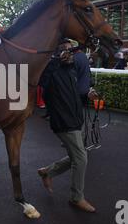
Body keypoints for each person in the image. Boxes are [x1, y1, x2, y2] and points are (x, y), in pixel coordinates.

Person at [37, 41, 98, 213]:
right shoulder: (49, 68)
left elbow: (74, 92)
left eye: (70, 50)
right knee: (81, 158)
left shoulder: (70, 68)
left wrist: (88, 93)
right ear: (57, 52)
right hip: (63, 121)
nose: (69, 53)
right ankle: (76, 198)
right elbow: (42, 83)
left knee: (77, 155)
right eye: (64, 49)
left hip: (75, 117)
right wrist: (55, 60)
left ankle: (47, 172)